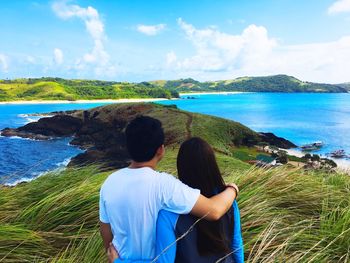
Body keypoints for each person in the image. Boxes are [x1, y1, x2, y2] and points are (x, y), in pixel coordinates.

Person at [100, 116, 239, 262]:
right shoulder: (165, 185)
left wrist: (115, 259)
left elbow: (105, 230)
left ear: (127, 147)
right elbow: (214, 210)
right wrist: (233, 189)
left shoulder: (108, 183)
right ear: (161, 150)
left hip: (120, 258)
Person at [154, 137, 244, 263]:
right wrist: (233, 189)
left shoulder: (168, 213)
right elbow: (236, 246)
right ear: (212, 165)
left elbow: (164, 260)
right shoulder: (228, 201)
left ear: (181, 167)